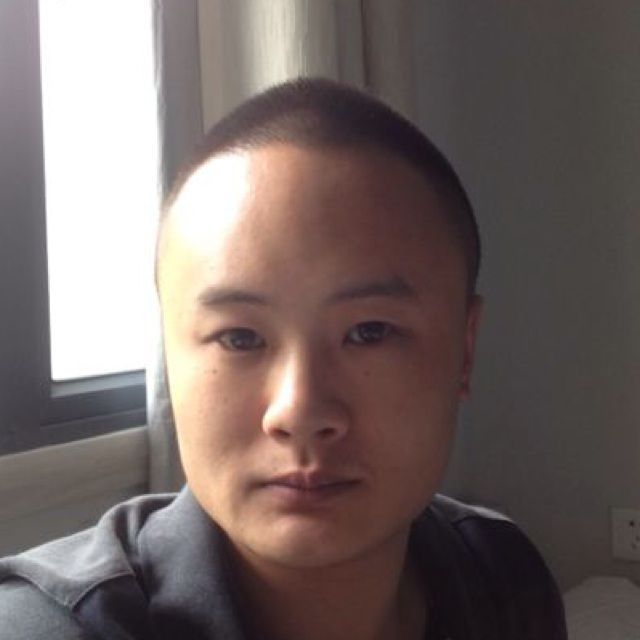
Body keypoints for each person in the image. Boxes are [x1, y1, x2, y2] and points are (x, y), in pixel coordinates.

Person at [0, 78, 567, 639]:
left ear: (463, 350)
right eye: (239, 338)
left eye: (369, 332)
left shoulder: (503, 578)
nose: (298, 412)